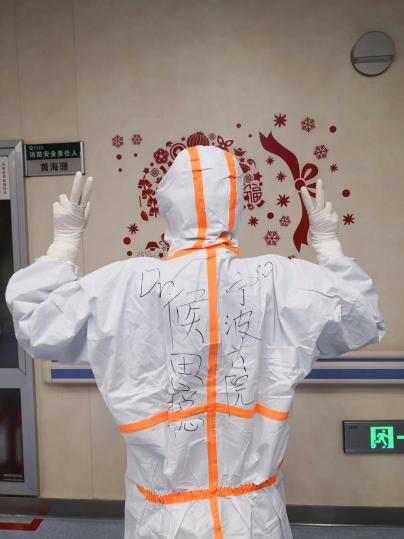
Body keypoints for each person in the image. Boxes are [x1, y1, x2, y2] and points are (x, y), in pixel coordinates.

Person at [6, 145, 384, 538]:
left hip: (165, 520)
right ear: (237, 205)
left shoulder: (127, 284)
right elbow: (362, 319)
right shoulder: (277, 281)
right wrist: (329, 247)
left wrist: (63, 245)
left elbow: (37, 324)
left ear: (168, 203)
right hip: (253, 518)